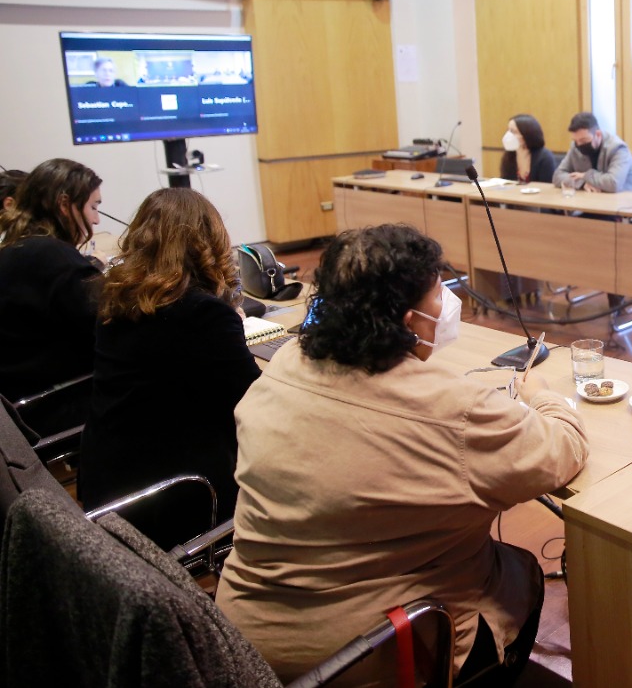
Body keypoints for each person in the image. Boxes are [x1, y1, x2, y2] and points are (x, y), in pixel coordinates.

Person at [217, 225, 588, 687]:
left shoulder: (286, 363)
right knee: (520, 570)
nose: (447, 305)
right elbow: (562, 450)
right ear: (409, 322)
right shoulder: (454, 409)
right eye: (439, 295)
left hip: (241, 641)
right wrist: (544, 396)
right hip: (362, 657)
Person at [78, 188, 260, 543]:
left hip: (108, 483)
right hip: (176, 495)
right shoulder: (203, 313)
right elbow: (255, 402)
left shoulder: (117, 298)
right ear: (209, 241)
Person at [0, 158, 102, 435]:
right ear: (64, 205)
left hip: (18, 411)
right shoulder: (57, 261)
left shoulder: (14, 249)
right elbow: (111, 332)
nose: (96, 219)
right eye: (93, 207)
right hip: (54, 408)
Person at [552, 111, 632, 192]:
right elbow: (557, 176)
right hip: (592, 200)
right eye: (575, 141)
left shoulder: (618, 148)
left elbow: (613, 183)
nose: (579, 144)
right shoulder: (575, 146)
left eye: (584, 140)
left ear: (598, 134)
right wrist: (583, 183)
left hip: (625, 202)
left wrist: (585, 175)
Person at [499, 113, 556, 184]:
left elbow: (547, 186)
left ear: (526, 134)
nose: (508, 135)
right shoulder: (509, 154)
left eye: (513, 131)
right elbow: (506, 182)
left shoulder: (545, 157)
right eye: (508, 130)